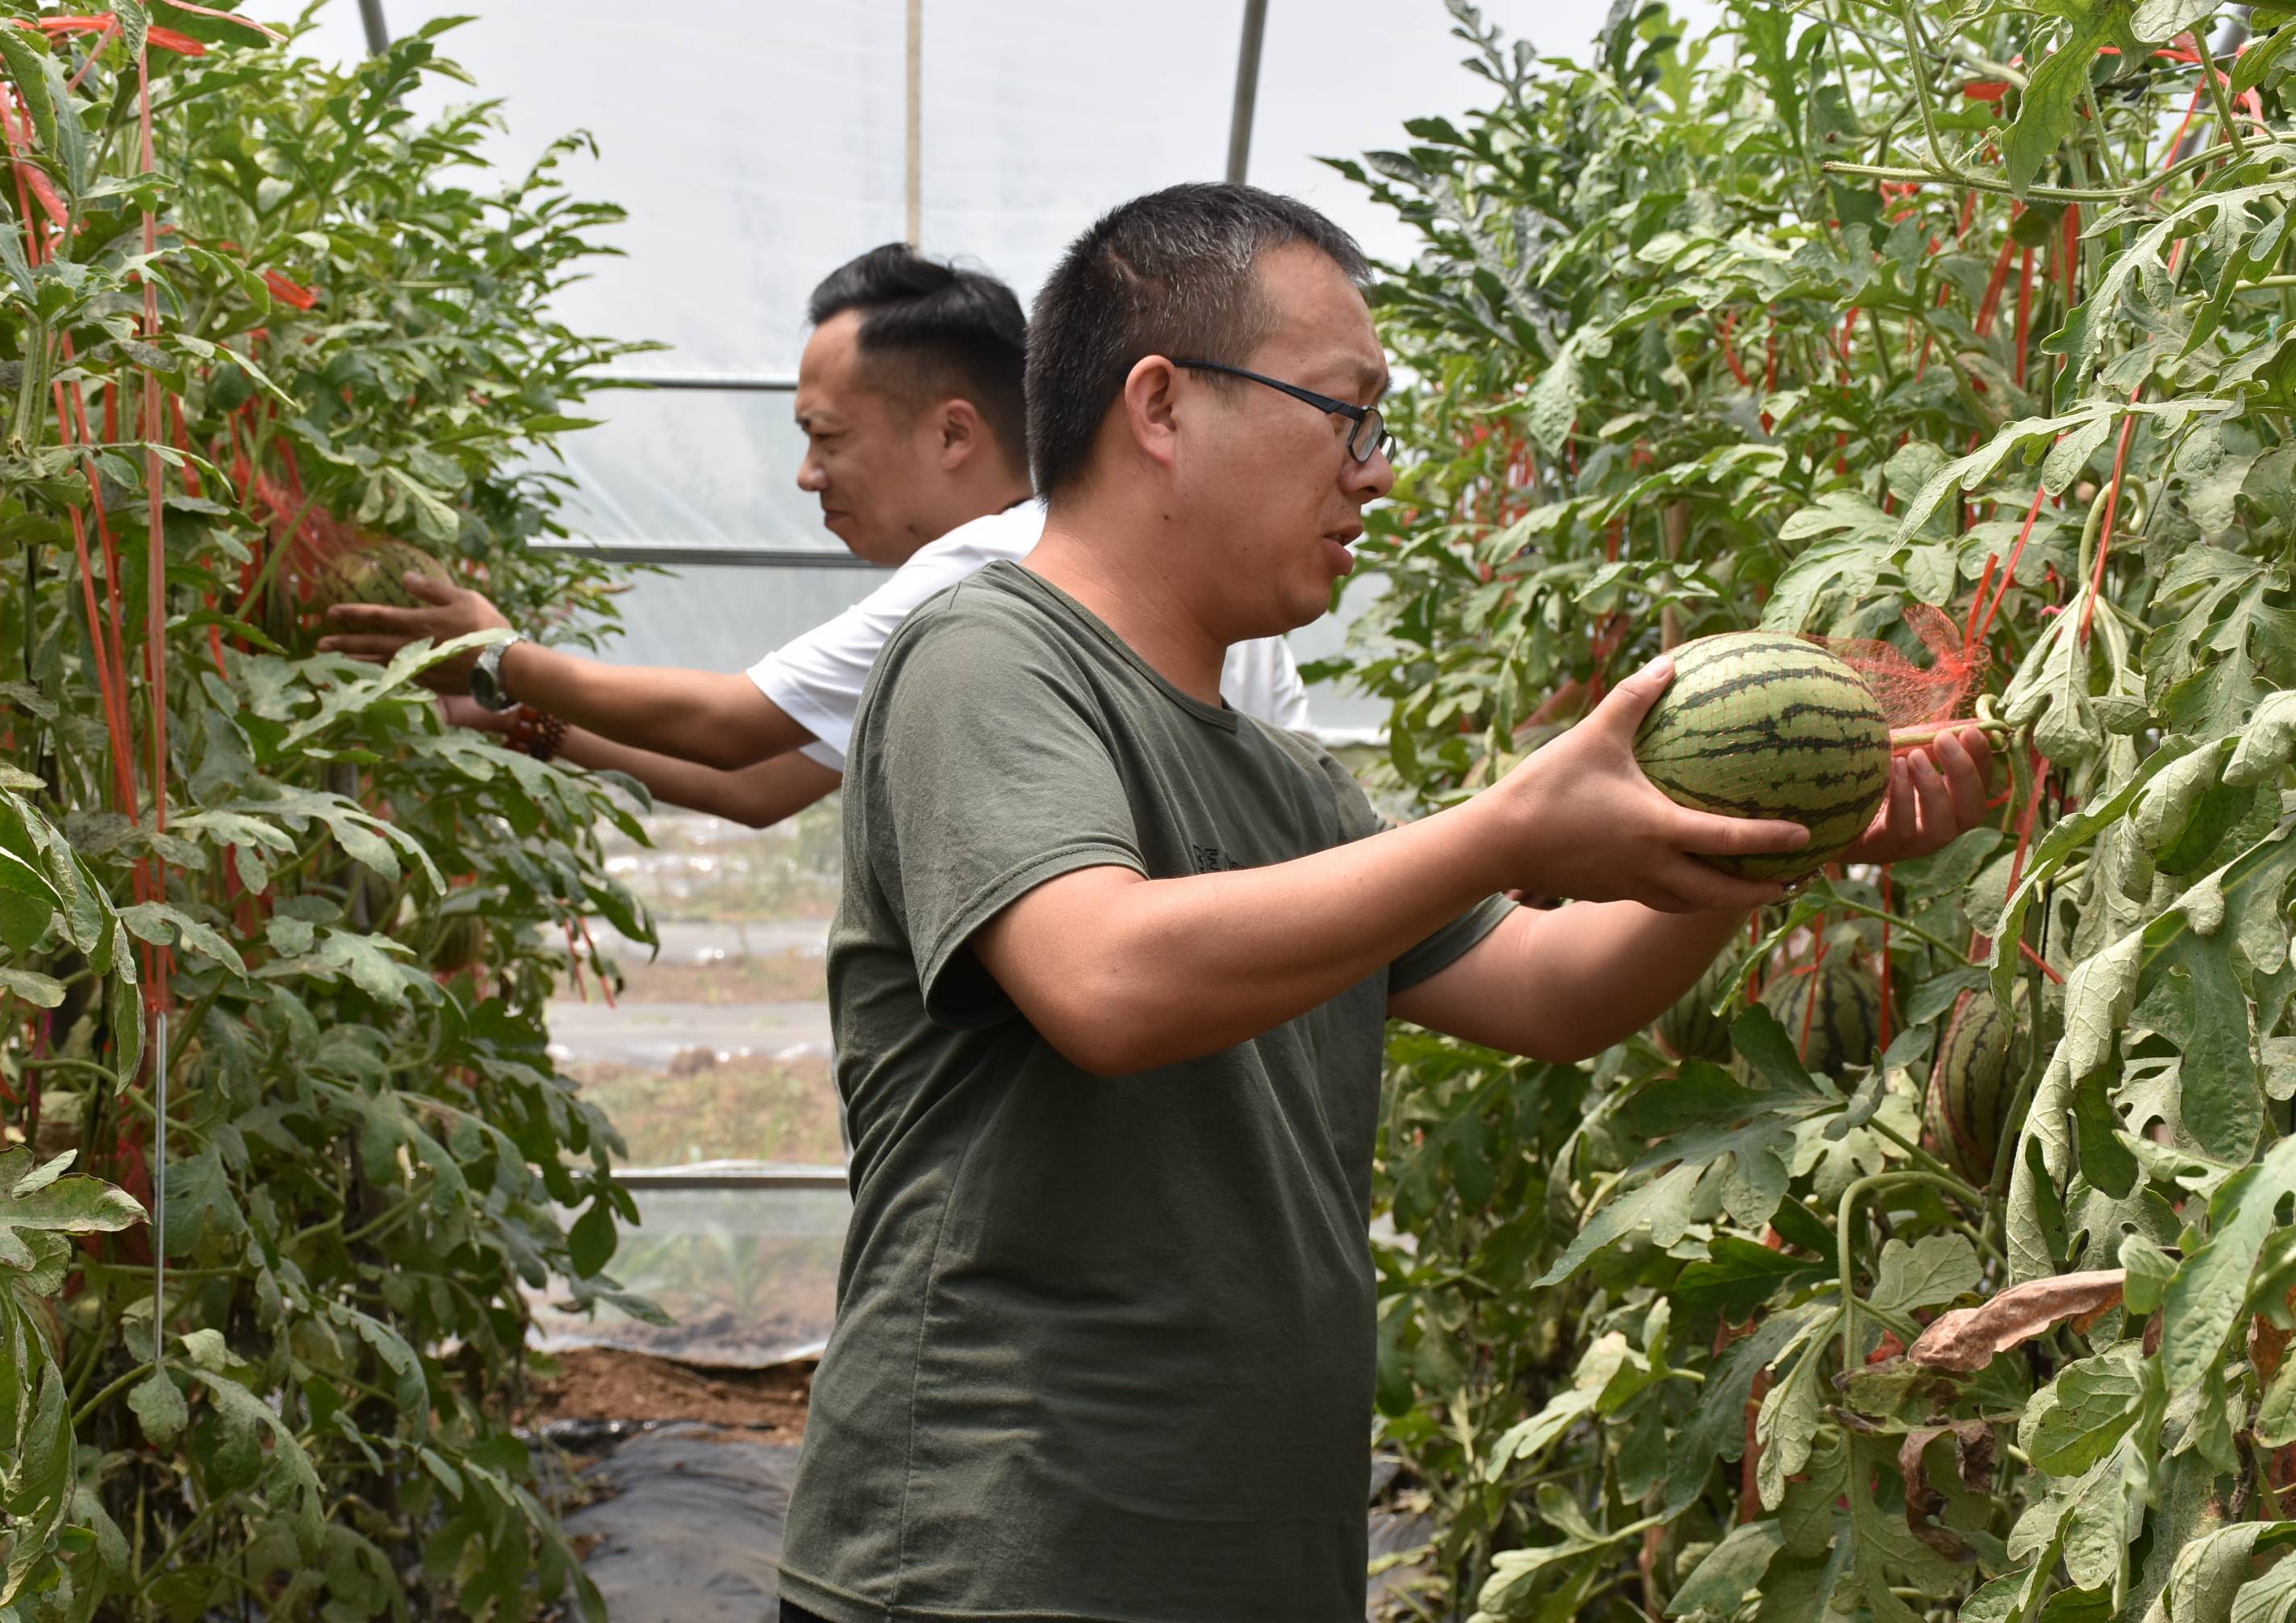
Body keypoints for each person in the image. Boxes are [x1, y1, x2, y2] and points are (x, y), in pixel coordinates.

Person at [774, 184, 1997, 1623]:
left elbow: (1551, 993)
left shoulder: (1289, 784)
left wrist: (1767, 836)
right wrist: (1504, 825)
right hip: (996, 1559)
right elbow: (1104, 980)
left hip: (1239, 1562)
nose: (1376, 472)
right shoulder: (985, 663)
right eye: (1346, 413)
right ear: (1160, 405)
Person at [317, 246, 1314, 825]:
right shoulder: (1106, 556)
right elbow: (759, 784)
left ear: (954, 431)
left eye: (825, 437)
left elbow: (730, 724)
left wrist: (501, 657)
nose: (807, 475)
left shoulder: (1000, 569)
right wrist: (523, 724)